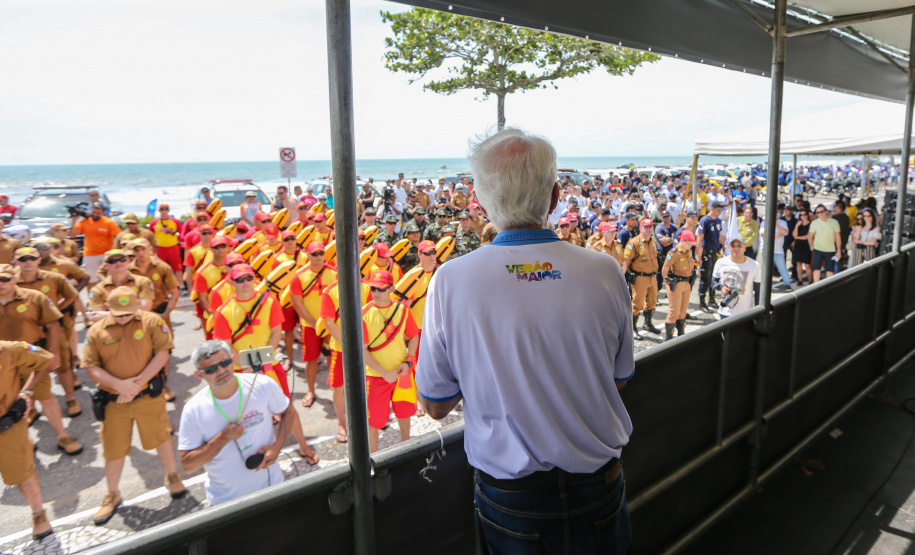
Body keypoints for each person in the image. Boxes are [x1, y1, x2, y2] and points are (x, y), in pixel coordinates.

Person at [417, 128, 633, 554]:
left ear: (478, 202)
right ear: (555, 197)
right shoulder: (604, 270)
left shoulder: (450, 281)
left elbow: (435, 404)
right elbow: (619, 378)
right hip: (601, 484)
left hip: (511, 497)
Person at [82, 286, 186, 525]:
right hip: (115, 401)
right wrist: (119, 385)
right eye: (119, 314)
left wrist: (136, 385)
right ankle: (112, 494)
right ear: (108, 308)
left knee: (161, 438)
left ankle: (172, 476)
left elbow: (162, 355)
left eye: (128, 313)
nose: (124, 318)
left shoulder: (152, 322)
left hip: (147, 396)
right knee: (113, 449)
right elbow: (91, 367)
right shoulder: (97, 330)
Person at [210, 264, 318, 465]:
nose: (245, 283)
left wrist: (261, 361)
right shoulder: (223, 311)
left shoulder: (269, 301)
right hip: (242, 371)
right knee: (248, 415)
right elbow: (225, 346)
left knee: (286, 408)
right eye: (239, 279)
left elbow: (276, 332)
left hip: (268, 365)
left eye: (248, 278)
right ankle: (253, 454)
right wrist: (247, 365)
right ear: (231, 282)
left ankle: (303, 445)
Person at [178, 340, 295, 505]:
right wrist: (223, 438)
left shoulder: (261, 384)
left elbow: (288, 411)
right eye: (211, 369)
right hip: (226, 501)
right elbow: (187, 465)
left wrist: (276, 447)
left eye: (225, 363)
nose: (221, 371)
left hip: (272, 488)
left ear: (232, 360)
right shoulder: (193, 409)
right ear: (199, 375)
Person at [14, 248, 82, 417]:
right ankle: (32, 406)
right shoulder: (11, 281)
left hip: (53, 330)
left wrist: (56, 309)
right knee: (28, 371)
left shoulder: (54, 278)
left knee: (63, 366)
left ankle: (70, 398)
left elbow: (72, 295)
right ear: (16, 262)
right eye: (23, 259)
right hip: (27, 333)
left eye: (32, 258)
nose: (28, 262)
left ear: (39, 260)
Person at [0, 340, 56, 540]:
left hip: (6, 427)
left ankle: (38, 514)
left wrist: (27, 390)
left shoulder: (8, 349)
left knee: (22, 472)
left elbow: (46, 359)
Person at [361, 270, 419, 453]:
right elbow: (361, 352)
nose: (376, 293)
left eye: (381, 289)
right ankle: (373, 456)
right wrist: (384, 373)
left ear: (392, 288)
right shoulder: (364, 314)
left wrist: (409, 361)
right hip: (376, 377)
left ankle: (406, 447)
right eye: (373, 289)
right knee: (374, 421)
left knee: (405, 414)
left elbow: (413, 335)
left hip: (402, 373)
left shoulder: (402, 309)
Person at [290, 242, 337, 409]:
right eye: (314, 254)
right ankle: (310, 390)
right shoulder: (299, 276)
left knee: (333, 356)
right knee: (311, 360)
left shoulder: (333, 272)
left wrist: (327, 324)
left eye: (321, 253)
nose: (318, 257)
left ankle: (336, 389)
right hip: (309, 325)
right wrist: (315, 323)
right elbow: (298, 304)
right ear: (308, 255)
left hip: (330, 325)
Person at [87, 249, 155, 322]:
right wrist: (134, 310)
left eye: (122, 259)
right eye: (112, 261)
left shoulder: (143, 282)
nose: (118, 263)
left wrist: (110, 314)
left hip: (138, 327)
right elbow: (97, 316)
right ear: (105, 266)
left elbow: (145, 309)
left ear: (128, 262)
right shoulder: (97, 289)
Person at [622, 219, 662, 339]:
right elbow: (627, 262)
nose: (648, 229)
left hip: (652, 277)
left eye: (650, 226)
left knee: (652, 302)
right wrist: (628, 276)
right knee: (636, 304)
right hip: (640, 277)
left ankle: (647, 324)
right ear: (640, 228)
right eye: (646, 227)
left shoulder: (653, 241)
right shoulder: (633, 243)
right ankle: (632, 329)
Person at [70, 203, 121, 286]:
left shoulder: (108, 222)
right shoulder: (85, 221)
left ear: (102, 213)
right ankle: (92, 297)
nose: (95, 214)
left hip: (106, 254)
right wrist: (74, 220)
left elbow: (118, 236)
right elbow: (73, 235)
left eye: (98, 213)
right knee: (91, 279)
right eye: (94, 212)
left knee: (109, 277)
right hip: (90, 254)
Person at [712, 236, 761, 319]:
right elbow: (713, 282)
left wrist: (758, 312)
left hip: (746, 313)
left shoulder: (755, 265)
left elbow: (758, 290)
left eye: (739, 245)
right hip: (725, 312)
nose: (736, 248)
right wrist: (721, 287)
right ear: (729, 248)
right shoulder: (721, 262)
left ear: (745, 248)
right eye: (733, 245)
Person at [662, 230, 698, 340]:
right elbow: (665, 269)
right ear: (682, 240)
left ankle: (681, 335)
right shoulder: (674, 253)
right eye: (689, 242)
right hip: (676, 284)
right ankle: (669, 337)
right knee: (674, 313)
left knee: (682, 313)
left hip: (687, 283)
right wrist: (668, 282)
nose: (691, 245)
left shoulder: (688, 251)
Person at [697, 201, 725, 312]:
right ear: (712, 209)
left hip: (715, 251)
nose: (719, 213)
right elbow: (699, 238)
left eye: (720, 211)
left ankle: (711, 299)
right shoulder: (705, 220)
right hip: (706, 252)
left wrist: (724, 246)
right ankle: (702, 302)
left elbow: (719, 236)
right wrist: (699, 256)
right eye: (718, 210)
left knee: (714, 277)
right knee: (705, 278)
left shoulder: (718, 221)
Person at [808, 204, 842, 282]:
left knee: (830, 270)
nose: (820, 214)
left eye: (822, 211)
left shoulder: (834, 222)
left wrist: (839, 250)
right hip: (817, 249)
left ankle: (828, 287)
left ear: (826, 211)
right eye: (818, 212)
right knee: (816, 269)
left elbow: (838, 237)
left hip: (830, 249)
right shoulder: (814, 223)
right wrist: (811, 246)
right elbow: (810, 236)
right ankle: (815, 287)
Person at [147, 205, 184, 275]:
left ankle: (181, 285)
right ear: (159, 211)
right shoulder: (153, 223)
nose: (164, 211)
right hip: (160, 248)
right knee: (160, 268)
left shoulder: (175, 221)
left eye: (166, 209)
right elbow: (149, 236)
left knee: (178, 267)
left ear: (168, 210)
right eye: (162, 209)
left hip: (173, 247)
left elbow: (181, 233)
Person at [792, 209, 814, 285]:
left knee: (807, 265)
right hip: (798, 245)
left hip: (806, 245)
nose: (803, 216)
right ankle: (800, 280)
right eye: (801, 215)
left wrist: (798, 237)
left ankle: (810, 280)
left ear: (807, 215)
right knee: (798, 263)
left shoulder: (811, 224)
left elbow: (808, 236)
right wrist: (797, 226)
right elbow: (794, 235)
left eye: (804, 214)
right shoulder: (798, 224)